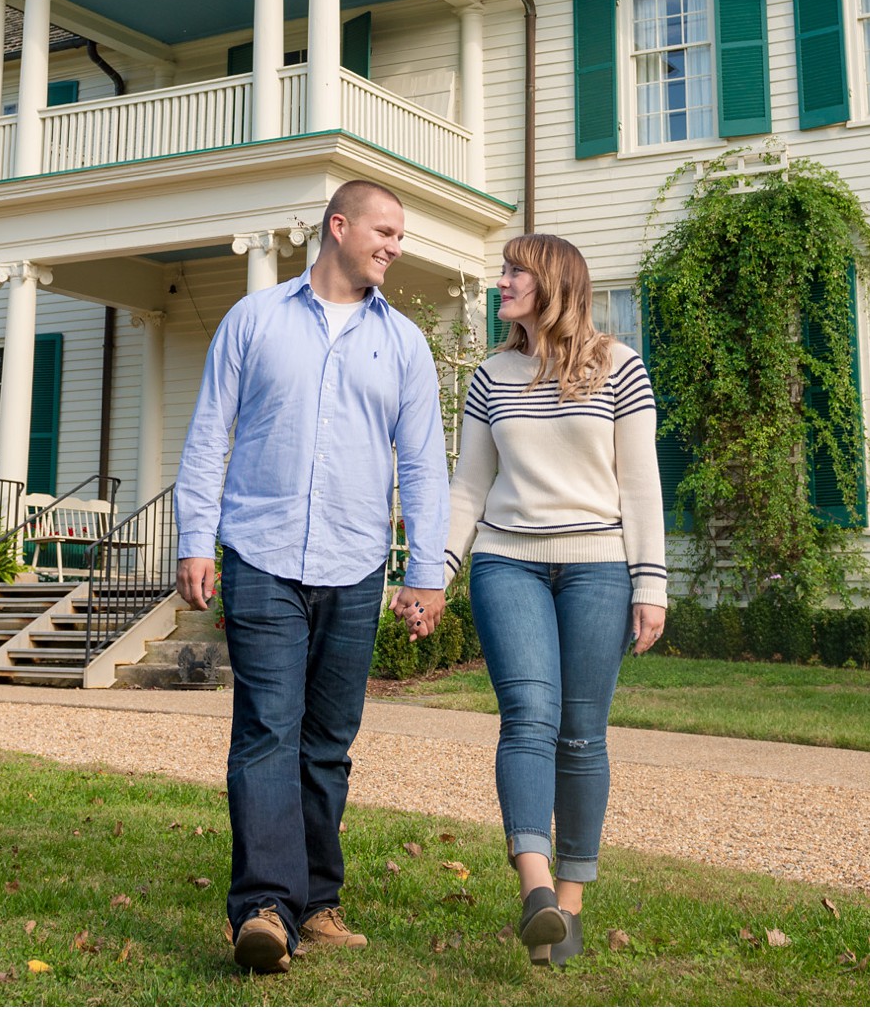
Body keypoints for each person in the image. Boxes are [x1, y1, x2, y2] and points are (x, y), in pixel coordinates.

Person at [173, 178, 449, 975]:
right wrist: (197, 539)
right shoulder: (253, 320)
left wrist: (424, 572)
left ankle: (317, 900)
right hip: (260, 555)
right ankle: (262, 907)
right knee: (267, 728)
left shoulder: (402, 343)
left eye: (400, 235)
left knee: (328, 742)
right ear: (338, 227)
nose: (396, 245)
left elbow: (424, 466)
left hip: (356, 564)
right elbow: (206, 436)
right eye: (385, 230)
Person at [444, 233, 667, 969]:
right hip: (508, 562)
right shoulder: (490, 376)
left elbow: (638, 484)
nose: (499, 281)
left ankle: (568, 910)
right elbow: (469, 487)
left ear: (553, 283)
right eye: (503, 270)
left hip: (599, 567)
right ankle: (536, 889)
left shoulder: (619, 367)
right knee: (529, 717)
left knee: (582, 733)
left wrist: (651, 583)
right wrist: (437, 568)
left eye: (514, 272)